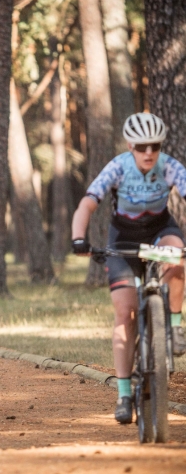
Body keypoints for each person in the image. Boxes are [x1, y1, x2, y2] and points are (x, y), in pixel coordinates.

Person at [71, 112, 186, 424]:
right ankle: (123, 394)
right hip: (122, 238)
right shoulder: (118, 167)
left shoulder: (170, 167)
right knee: (125, 313)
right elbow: (87, 203)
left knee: (177, 258)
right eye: (141, 146)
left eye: (155, 145)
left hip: (160, 230)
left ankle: (174, 324)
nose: (148, 152)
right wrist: (78, 238)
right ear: (130, 145)